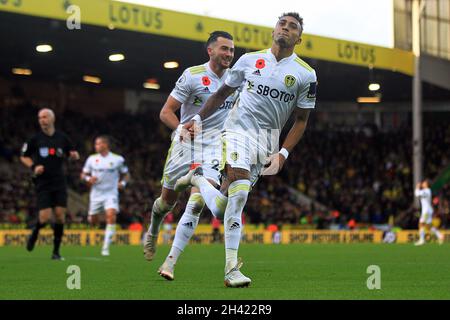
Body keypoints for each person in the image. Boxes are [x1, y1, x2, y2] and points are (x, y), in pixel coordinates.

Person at [176, 12, 317, 287]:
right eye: (282, 24)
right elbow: (220, 94)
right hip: (237, 132)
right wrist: (196, 119)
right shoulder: (249, 60)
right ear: (274, 29)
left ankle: (197, 179)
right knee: (239, 195)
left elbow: (301, 120)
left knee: (223, 208)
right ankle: (231, 269)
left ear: (299, 38)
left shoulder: (306, 74)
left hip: (266, 142)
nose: (285, 29)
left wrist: (283, 153)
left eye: (292, 28)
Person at [142, 31, 238, 281]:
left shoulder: (236, 80)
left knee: (196, 204)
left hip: (214, 147)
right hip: (184, 146)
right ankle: (153, 231)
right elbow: (166, 112)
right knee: (165, 204)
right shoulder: (192, 76)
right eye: (224, 49)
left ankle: (170, 262)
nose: (229, 54)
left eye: (231, 50)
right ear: (210, 51)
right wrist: (180, 129)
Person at [20, 108, 80, 260]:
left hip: (59, 181)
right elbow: (24, 156)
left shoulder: (62, 138)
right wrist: (34, 166)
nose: (42, 120)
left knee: (60, 216)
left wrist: (74, 156)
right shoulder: (35, 139)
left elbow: (72, 154)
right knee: (44, 217)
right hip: (43, 182)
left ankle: (56, 252)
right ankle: (35, 232)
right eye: (40, 117)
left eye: (45, 117)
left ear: (52, 119)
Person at [80, 135, 130, 256]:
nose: (95, 146)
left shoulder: (118, 159)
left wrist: (122, 183)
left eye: (98, 144)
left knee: (111, 215)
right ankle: (95, 222)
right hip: (96, 194)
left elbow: (126, 174)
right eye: (95, 144)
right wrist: (88, 178)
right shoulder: (91, 159)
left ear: (105, 145)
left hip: (111, 193)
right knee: (93, 220)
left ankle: (105, 247)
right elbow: (83, 174)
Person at [414, 179, 444, 246]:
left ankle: (422, 240)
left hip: (426, 211)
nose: (422, 184)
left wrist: (417, 187)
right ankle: (440, 236)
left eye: (424, 183)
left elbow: (416, 194)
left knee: (421, 224)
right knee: (429, 226)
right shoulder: (427, 191)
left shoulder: (427, 191)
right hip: (427, 210)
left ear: (427, 184)